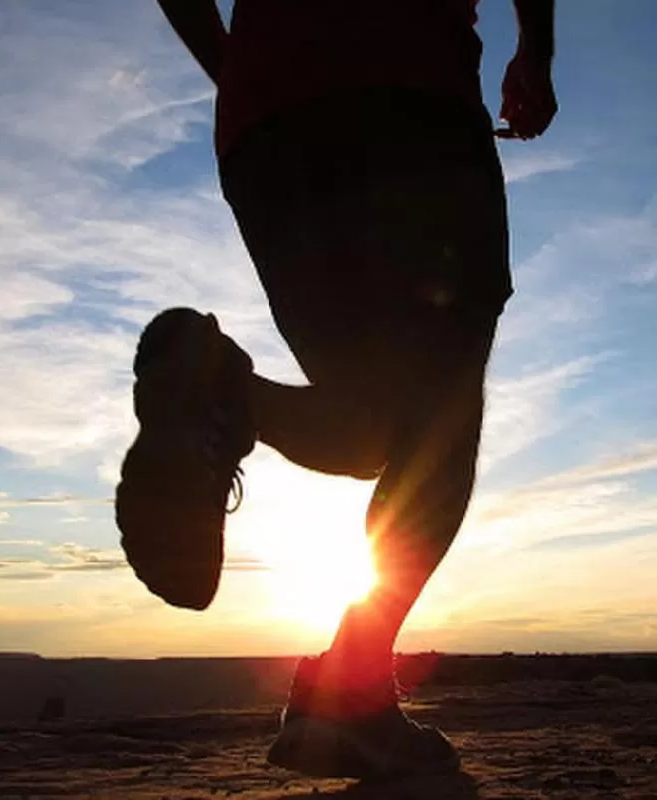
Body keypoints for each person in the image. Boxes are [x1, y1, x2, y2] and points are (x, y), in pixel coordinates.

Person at [116, 0, 557, 780]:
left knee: (376, 430)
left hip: (270, 126)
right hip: (411, 94)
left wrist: (242, 73)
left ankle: (231, 401)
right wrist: (536, 49)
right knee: (438, 427)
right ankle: (351, 691)